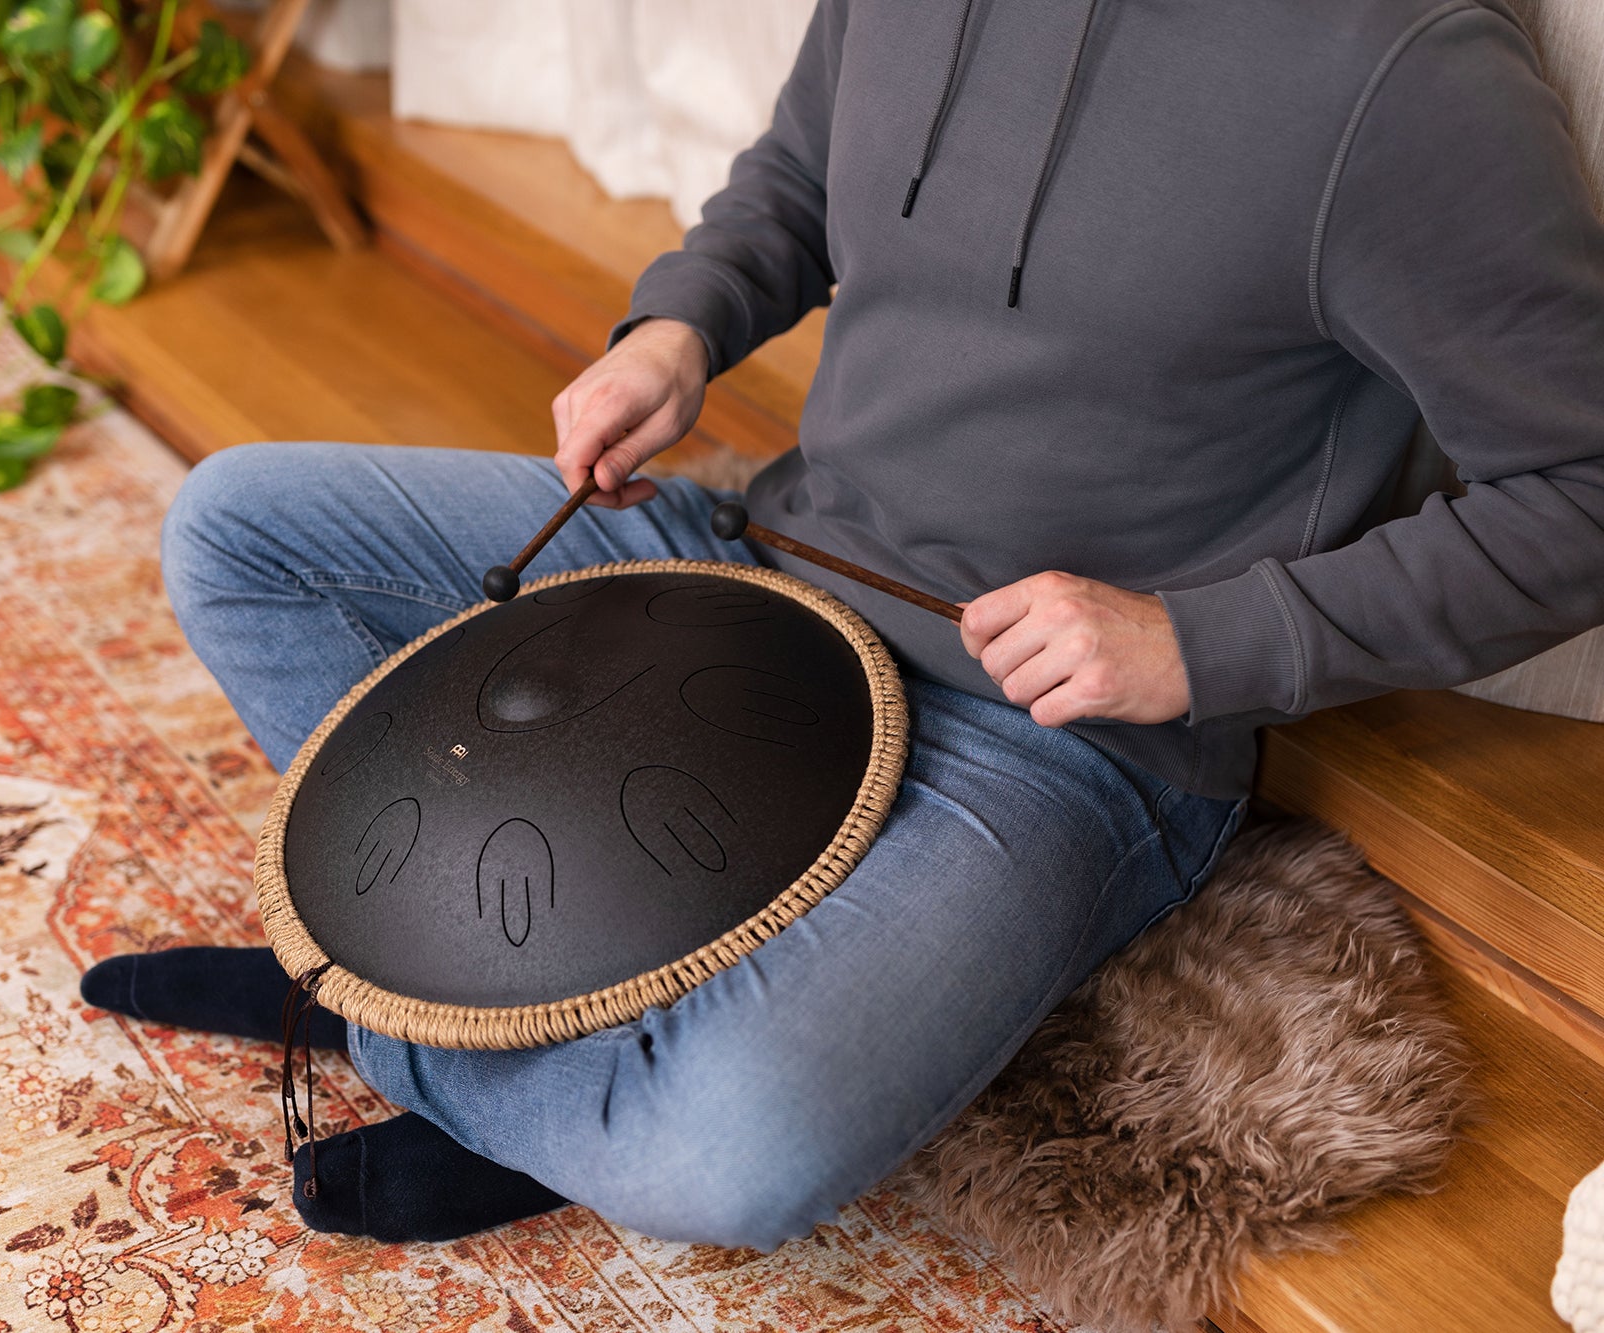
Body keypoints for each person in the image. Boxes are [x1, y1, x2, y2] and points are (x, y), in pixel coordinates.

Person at [81, 0, 1604, 1250]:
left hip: (1050, 731)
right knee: (238, 530)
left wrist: (1202, 639)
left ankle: (393, 1009)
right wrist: (683, 321)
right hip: (765, 556)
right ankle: (488, 990)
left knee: (724, 1157)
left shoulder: (1405, 79)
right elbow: (799, 181)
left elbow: (1582, 492)